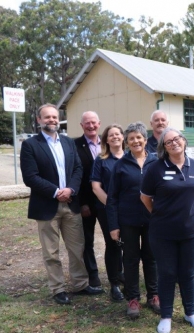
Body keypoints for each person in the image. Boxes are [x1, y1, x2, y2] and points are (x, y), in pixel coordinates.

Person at [20, 103, 104, 305]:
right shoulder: (31, 145)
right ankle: (57, 288)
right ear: (39, 120)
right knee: (51, 252)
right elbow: (30, 177)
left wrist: (71, 190)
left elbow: (77, 170)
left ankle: (80, 284)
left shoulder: (68, 143)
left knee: (77, 248)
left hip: (71, 203)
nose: (52, 120)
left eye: (55, 117)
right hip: (46, 205)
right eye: (47, 117)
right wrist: (56, 191)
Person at [141, 127, 194, 333]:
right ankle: (166, 316)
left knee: (187, 273)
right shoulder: (155, 168)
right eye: (168, 142)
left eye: (176, 138)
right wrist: (162, 215)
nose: (173, 143)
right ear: (163, 148)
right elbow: (145, 198)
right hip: (163, 233)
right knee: (167, 273)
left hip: (192, 231)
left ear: (184, 140)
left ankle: (190, 312)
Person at [106, 122, 159, 319]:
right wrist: (113, 225)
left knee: (151, 258)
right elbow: (112, 197)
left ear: (146, 140)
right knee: (130, 260)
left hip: (152, 220)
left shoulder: (156, 162)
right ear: (127, 143)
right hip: (127, 220)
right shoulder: (120, 165)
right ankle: (133, 299)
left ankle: (153, 295)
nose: (135, 141)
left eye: (139, 137)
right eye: (131, 138)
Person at [90, 124, 126, 302]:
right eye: (111, 135)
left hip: (130, 211)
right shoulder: (101, 160)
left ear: (123, 137)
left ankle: (125, 277)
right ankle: (114, 285)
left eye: (118, 134)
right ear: (106, 140)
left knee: (128, 246)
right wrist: (113, 206)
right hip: (107, 210)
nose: (115, 137)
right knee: (112, 245)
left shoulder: (132, 157)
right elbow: (96, 187)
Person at [74, 111, 103, 288]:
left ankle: (118, 272)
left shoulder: (107, 143)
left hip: (106, 200)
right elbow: (75, 175)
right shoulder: (74, 145)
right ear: (82, 125)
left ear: (99, 124)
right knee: (87, 239)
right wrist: (82, 202)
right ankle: (92, 274)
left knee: (113, 238)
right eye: (87, 123)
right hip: (86, 202)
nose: (91, 126)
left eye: (93, 122)